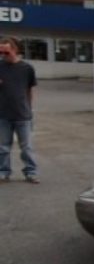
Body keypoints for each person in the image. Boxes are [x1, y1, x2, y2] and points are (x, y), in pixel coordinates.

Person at [0, 37, 39, 183]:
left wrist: (29, 109)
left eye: (6, 52)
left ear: (15, 50)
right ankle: (3, 172)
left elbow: (29, 90)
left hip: (22, 114)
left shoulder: (27, 68)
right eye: (0, 52)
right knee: (3, 147)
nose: (3, 55)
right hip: (2, 114)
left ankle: (31, 172)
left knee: (27, 147)